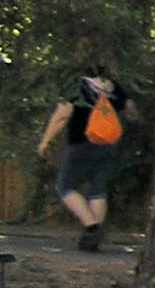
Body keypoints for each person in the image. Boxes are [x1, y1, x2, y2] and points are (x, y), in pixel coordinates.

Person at [36, 69, 132, 252]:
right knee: (97, 190)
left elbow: (61, 116)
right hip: (109, 145)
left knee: (65, 186)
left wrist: (45, 141)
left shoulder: (78, 87)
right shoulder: (115, 87)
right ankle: (92, 241)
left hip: (81, 143)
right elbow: (130, 111)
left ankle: (92, 227)